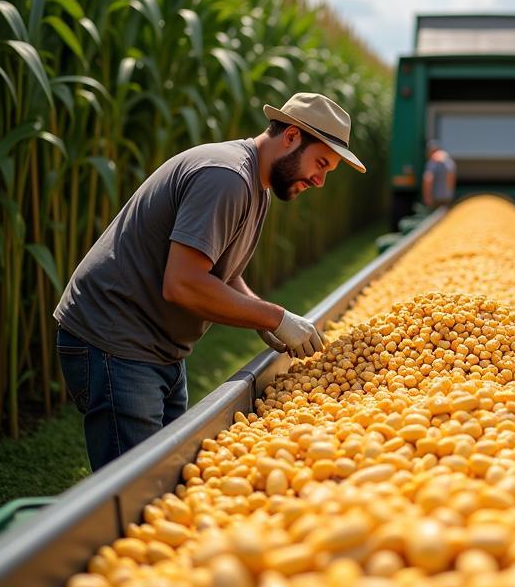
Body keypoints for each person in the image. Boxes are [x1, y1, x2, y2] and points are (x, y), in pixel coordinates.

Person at [53, 92, 366, 471]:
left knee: (169, 473)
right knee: (139, 486)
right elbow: (182, 283)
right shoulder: (228, 178)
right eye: (320, 164)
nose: (319, 181)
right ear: (291, 137)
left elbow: (223, 272)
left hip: (158, 346)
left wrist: (263, 319)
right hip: (116, 340)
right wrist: (275, 317)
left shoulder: (256, 185)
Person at [422, 139, 456, 210]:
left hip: (436, 196)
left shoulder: (432, 163)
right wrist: (450, 193)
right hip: (447, 195)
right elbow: (451, 178)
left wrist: (427, 197)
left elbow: (428, 180)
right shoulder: (449, 162)